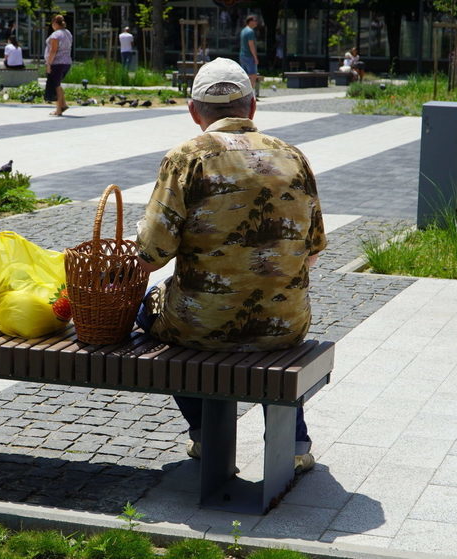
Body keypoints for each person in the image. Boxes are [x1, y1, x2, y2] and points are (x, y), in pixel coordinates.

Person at [136, 57, 326, 474]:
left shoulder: (186, 157)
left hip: (200, 324)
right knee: (273, 315)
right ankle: (295, 444)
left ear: (194, 112)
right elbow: (312, 249)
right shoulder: (293, 157)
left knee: (147, 311)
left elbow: (150, 257)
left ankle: (205, 435)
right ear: (252, 108)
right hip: (287, 323)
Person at [44, 14, 73, 117]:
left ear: (55, 23)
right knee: (58, 84)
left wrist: (48, 64)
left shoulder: (56, 35)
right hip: (66, 62)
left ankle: (58, 109)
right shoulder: (68, 33)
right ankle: (63, 105)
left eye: (52, 23)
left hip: (57, 63)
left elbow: (53, 50)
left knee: (56, 86)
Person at [239, 15, 259, 89]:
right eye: (255, 20)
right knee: (253, 75)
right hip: (249, 56)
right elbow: (251, 45)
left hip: (242, 55)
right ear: (250, 22)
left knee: (244, 76)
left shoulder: (243, 30)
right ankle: (251, 94)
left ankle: (244, 93)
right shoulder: (250, 31)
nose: (256, 22)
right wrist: (255, 57)